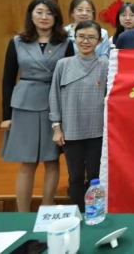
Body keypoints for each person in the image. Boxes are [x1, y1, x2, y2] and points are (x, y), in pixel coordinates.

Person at [0, 0, 74, 212]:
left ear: (56, 17)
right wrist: (6, 116)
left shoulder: (66, 42)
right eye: (39, 12)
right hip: (24, 104)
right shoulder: (17, 42)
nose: (44, 17)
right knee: (27, 162)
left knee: (52, 160)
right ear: (31, 16)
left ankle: (47, 208)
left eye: (49, 13)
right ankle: (22, 213)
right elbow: (8, 80)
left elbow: (69, 78)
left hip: (54, 103)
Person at [49, 20, 109, 211]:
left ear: (99, 41)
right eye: (81, 36)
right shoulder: (63, 64)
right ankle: (78, 213)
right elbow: (54, 96)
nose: (86, 41)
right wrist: (57, 128)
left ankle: (96, 212)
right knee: (74, 176)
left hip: (97, 130)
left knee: (95, 175)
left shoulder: (106, 65)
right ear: (74, 38)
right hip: (71, 130)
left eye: (91, 37)